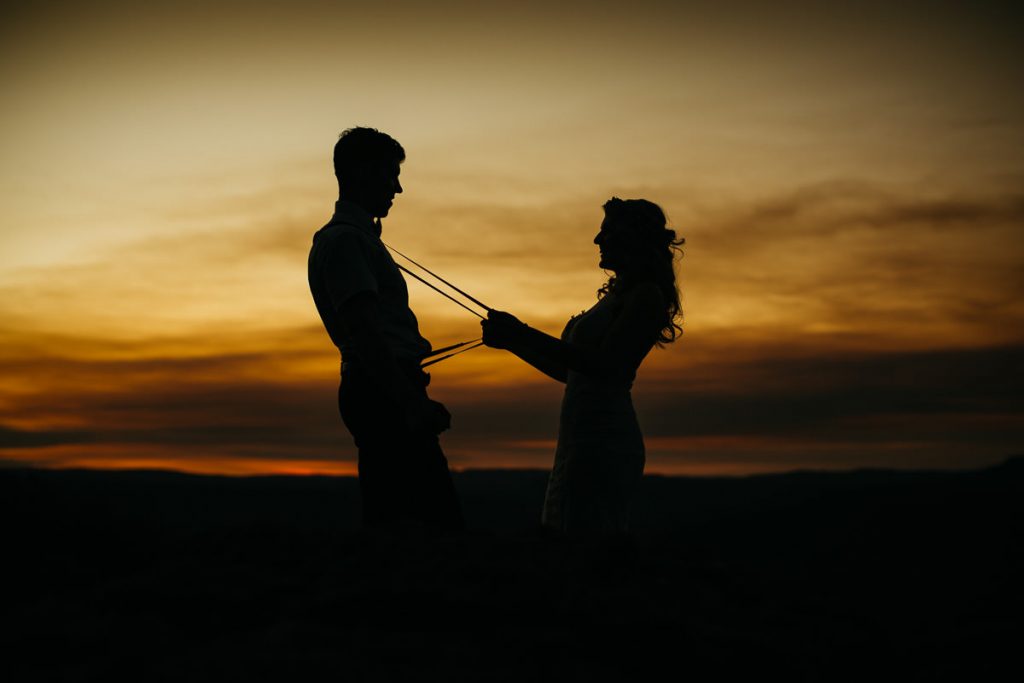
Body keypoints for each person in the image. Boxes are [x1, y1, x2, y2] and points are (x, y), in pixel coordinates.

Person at [481, 198, 683, 535]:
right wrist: (513, 343)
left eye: (607, 231)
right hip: (578, 437)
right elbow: (569, 372)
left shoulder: (646, 296)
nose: (597, 240)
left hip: (604, 440)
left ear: (633, 237)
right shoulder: (618, 296)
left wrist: (523, 333)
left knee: (588, 542)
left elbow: (606, 367)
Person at [308, 127, 463, 532]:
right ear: (361, 172)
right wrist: (412, 403)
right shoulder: (346, 242)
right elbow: (366, 335)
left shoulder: (356, 240)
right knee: (425, 521)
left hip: (381, 387)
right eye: (390, 174)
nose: (398, 187)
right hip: (382, 391)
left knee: (398, 514)